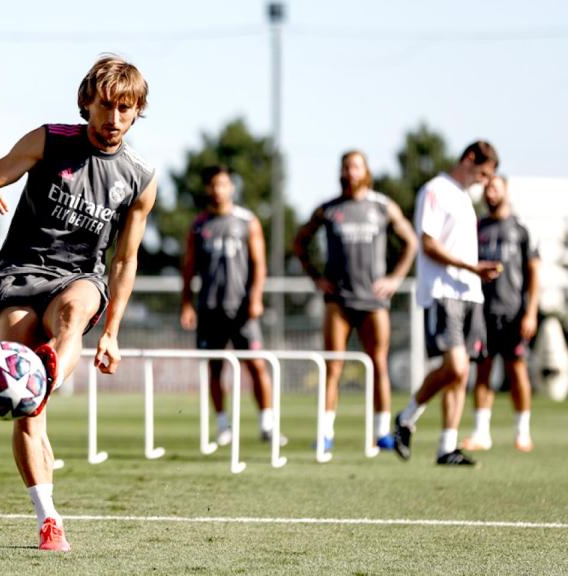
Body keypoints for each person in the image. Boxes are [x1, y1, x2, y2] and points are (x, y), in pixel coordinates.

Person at [0, 55, 156, 552]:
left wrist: (111, 331)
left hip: (79, 278)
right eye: (106, 106)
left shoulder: (140, 177)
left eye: (125, 109)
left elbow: (124, 260)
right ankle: (48, 518)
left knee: (72, 314)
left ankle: (44, 372)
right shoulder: (49, 140)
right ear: (87, 103)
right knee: (30, 414)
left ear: (137, 112)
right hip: (20, 277)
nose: (113, 119)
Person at [293, 151, 416, 453]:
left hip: (373, 301)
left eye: (356, 166)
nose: (351, 171)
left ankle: (382, 432)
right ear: (341, 171)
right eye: (347, 166)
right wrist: (316, 277)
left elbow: (411, 242)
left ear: (366, 170)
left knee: (379, 365)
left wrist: (395, 279)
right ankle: (325, 433)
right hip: (338, 300)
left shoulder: (382, 206)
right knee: (332, 367)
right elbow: (300, 242)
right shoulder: (329, 209)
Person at [393, 141, 502, 466]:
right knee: (454, 366)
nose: (485, 181)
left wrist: (476, 271)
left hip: (470, 293)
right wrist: (471, 267)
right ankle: (406, 417)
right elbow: (427, 243)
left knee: (461, 373)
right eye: (483, 173)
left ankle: (447, 447)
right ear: (469, 159)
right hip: (443, 291)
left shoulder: (465, 198)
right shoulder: (435, 190)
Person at [180, 165, 283, 446]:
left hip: (242, 309)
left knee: (257, 366)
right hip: (210, 309)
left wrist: (256, 297)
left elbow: (259, 264)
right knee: (214, 369)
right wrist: (186, 303)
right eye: (213, 185)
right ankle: (223, 426)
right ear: (207, 189)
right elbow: (189, 268)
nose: (218, 190)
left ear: (232, 188)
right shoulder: (199, 225)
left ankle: (267, 424)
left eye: (223, 184)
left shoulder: (247, 221)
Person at [462, 175, 539, 453]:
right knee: (482, 370)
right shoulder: (477, 227)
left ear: (505, 190)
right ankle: (482, 433)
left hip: (513, 314)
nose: (490, 193)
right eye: (486, 189)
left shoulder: (520, 229)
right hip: (482, 312)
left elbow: (534, 274)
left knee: (516, 369)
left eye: (495, 188)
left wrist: (530, 312)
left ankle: (522, 432)